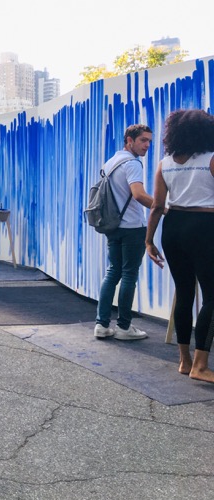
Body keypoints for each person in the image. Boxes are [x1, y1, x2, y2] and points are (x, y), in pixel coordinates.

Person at [146, 110, 214, 380]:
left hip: (172, 227)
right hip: (205, 227)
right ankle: (201, 366)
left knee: (184, 292)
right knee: (212, 296)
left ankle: (185, 361)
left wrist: (149, 241)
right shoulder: (211, 159)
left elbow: (156, 206)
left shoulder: (165, 163)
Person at [93, 124, 154, 340]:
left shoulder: (111, 163)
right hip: (132, 228)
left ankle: (101, 324)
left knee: (113, 272)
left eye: (149, 140)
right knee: (129, 274)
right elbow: (138, 195)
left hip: (113, 226)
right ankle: (125, 327)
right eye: (143, 140)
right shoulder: (133, 163)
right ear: (130, 140)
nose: (148, 145)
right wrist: (163, 207)